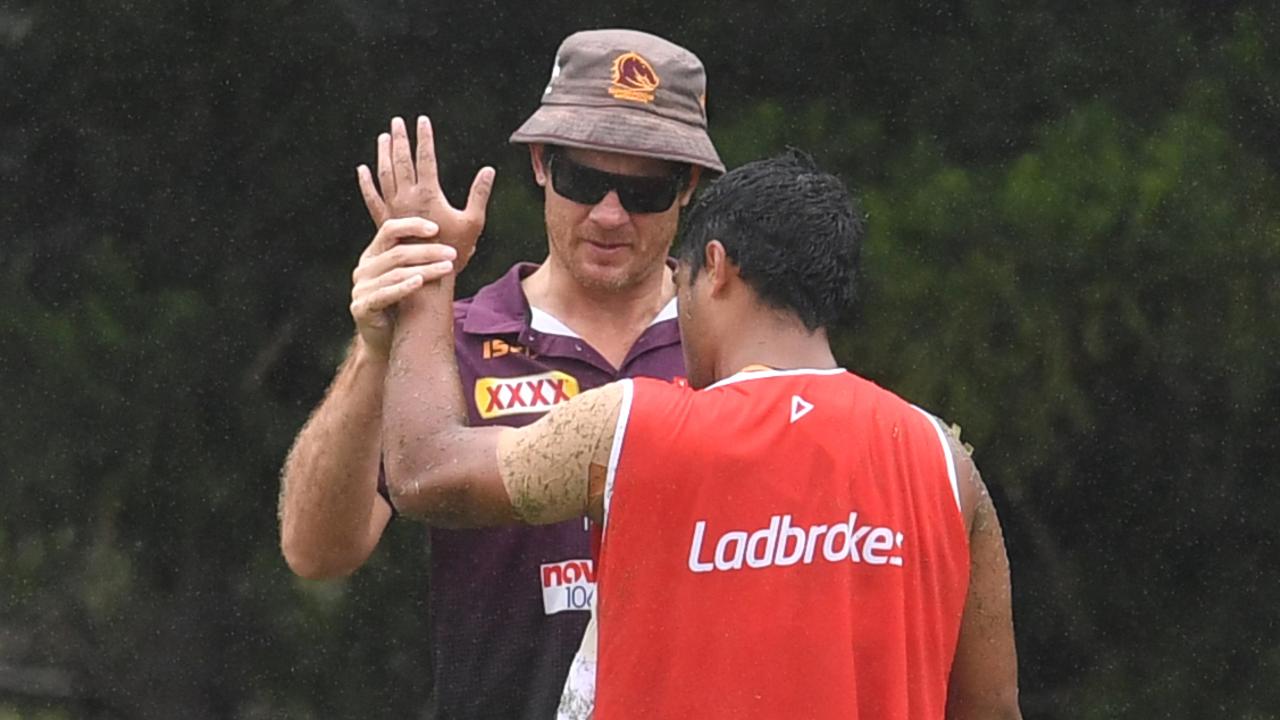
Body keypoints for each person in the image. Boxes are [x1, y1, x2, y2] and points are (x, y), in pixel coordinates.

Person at [379, 150, 1023, 719]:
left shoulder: (637, 426)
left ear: (714, 268)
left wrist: (427, 278)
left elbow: (422, 471)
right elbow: (990, 709)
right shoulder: (944, 461)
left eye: (678, 281)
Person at [277, 29, 724, 719]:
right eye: (584, 180)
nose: (609, 215)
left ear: (688, 188)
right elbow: (317, 551)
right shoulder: (450, 341)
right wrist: (377, 344)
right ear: (542, 165)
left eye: (645, 191)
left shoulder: (728, 347)